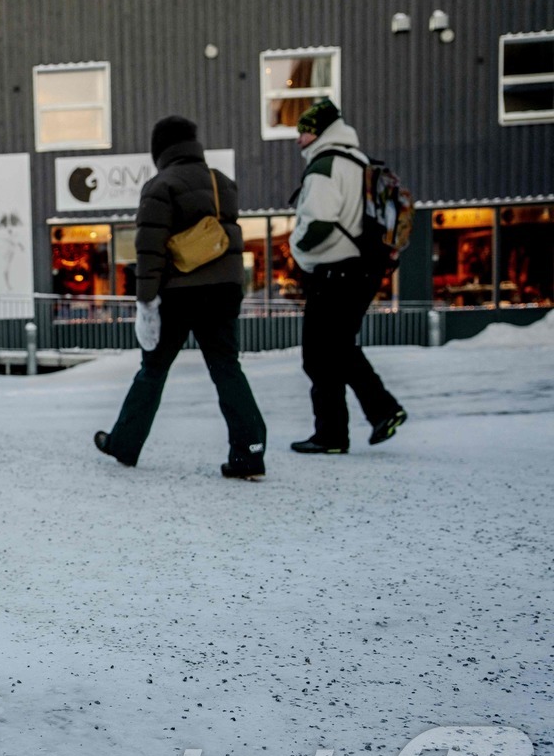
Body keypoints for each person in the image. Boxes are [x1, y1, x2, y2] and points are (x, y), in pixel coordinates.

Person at [94, 116, 268, 479]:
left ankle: (125, 444)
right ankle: (249, 450)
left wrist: (145, 302)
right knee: (226, 368)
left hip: (179, 292)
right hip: (222, 291)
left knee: (153, 371)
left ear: (160, 149)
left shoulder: (161, 185)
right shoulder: (222, 183)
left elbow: (150, 250)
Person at [287, 98, 406, 454]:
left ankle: (341, 430)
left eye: (305, 131)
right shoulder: (360, 162)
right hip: (364, 269)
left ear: (320, 132)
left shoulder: (326, 165)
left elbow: (319, 222)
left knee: (319, 353)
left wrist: (298, 251)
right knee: (338, 348)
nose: (299, 139)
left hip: (335, 271)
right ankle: (360, 422)